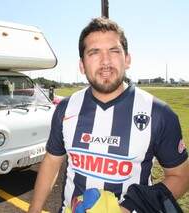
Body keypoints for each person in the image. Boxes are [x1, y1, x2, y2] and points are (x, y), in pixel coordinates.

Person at [29, 17, 189, 213]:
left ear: (127, 59)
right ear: (81, 65)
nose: (105, 61)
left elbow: (181, 176)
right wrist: (34, 209)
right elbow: (53, 160)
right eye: (94, 53)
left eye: (114, 51)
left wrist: (127, 208)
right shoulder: (65, 108)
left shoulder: (159, 113)